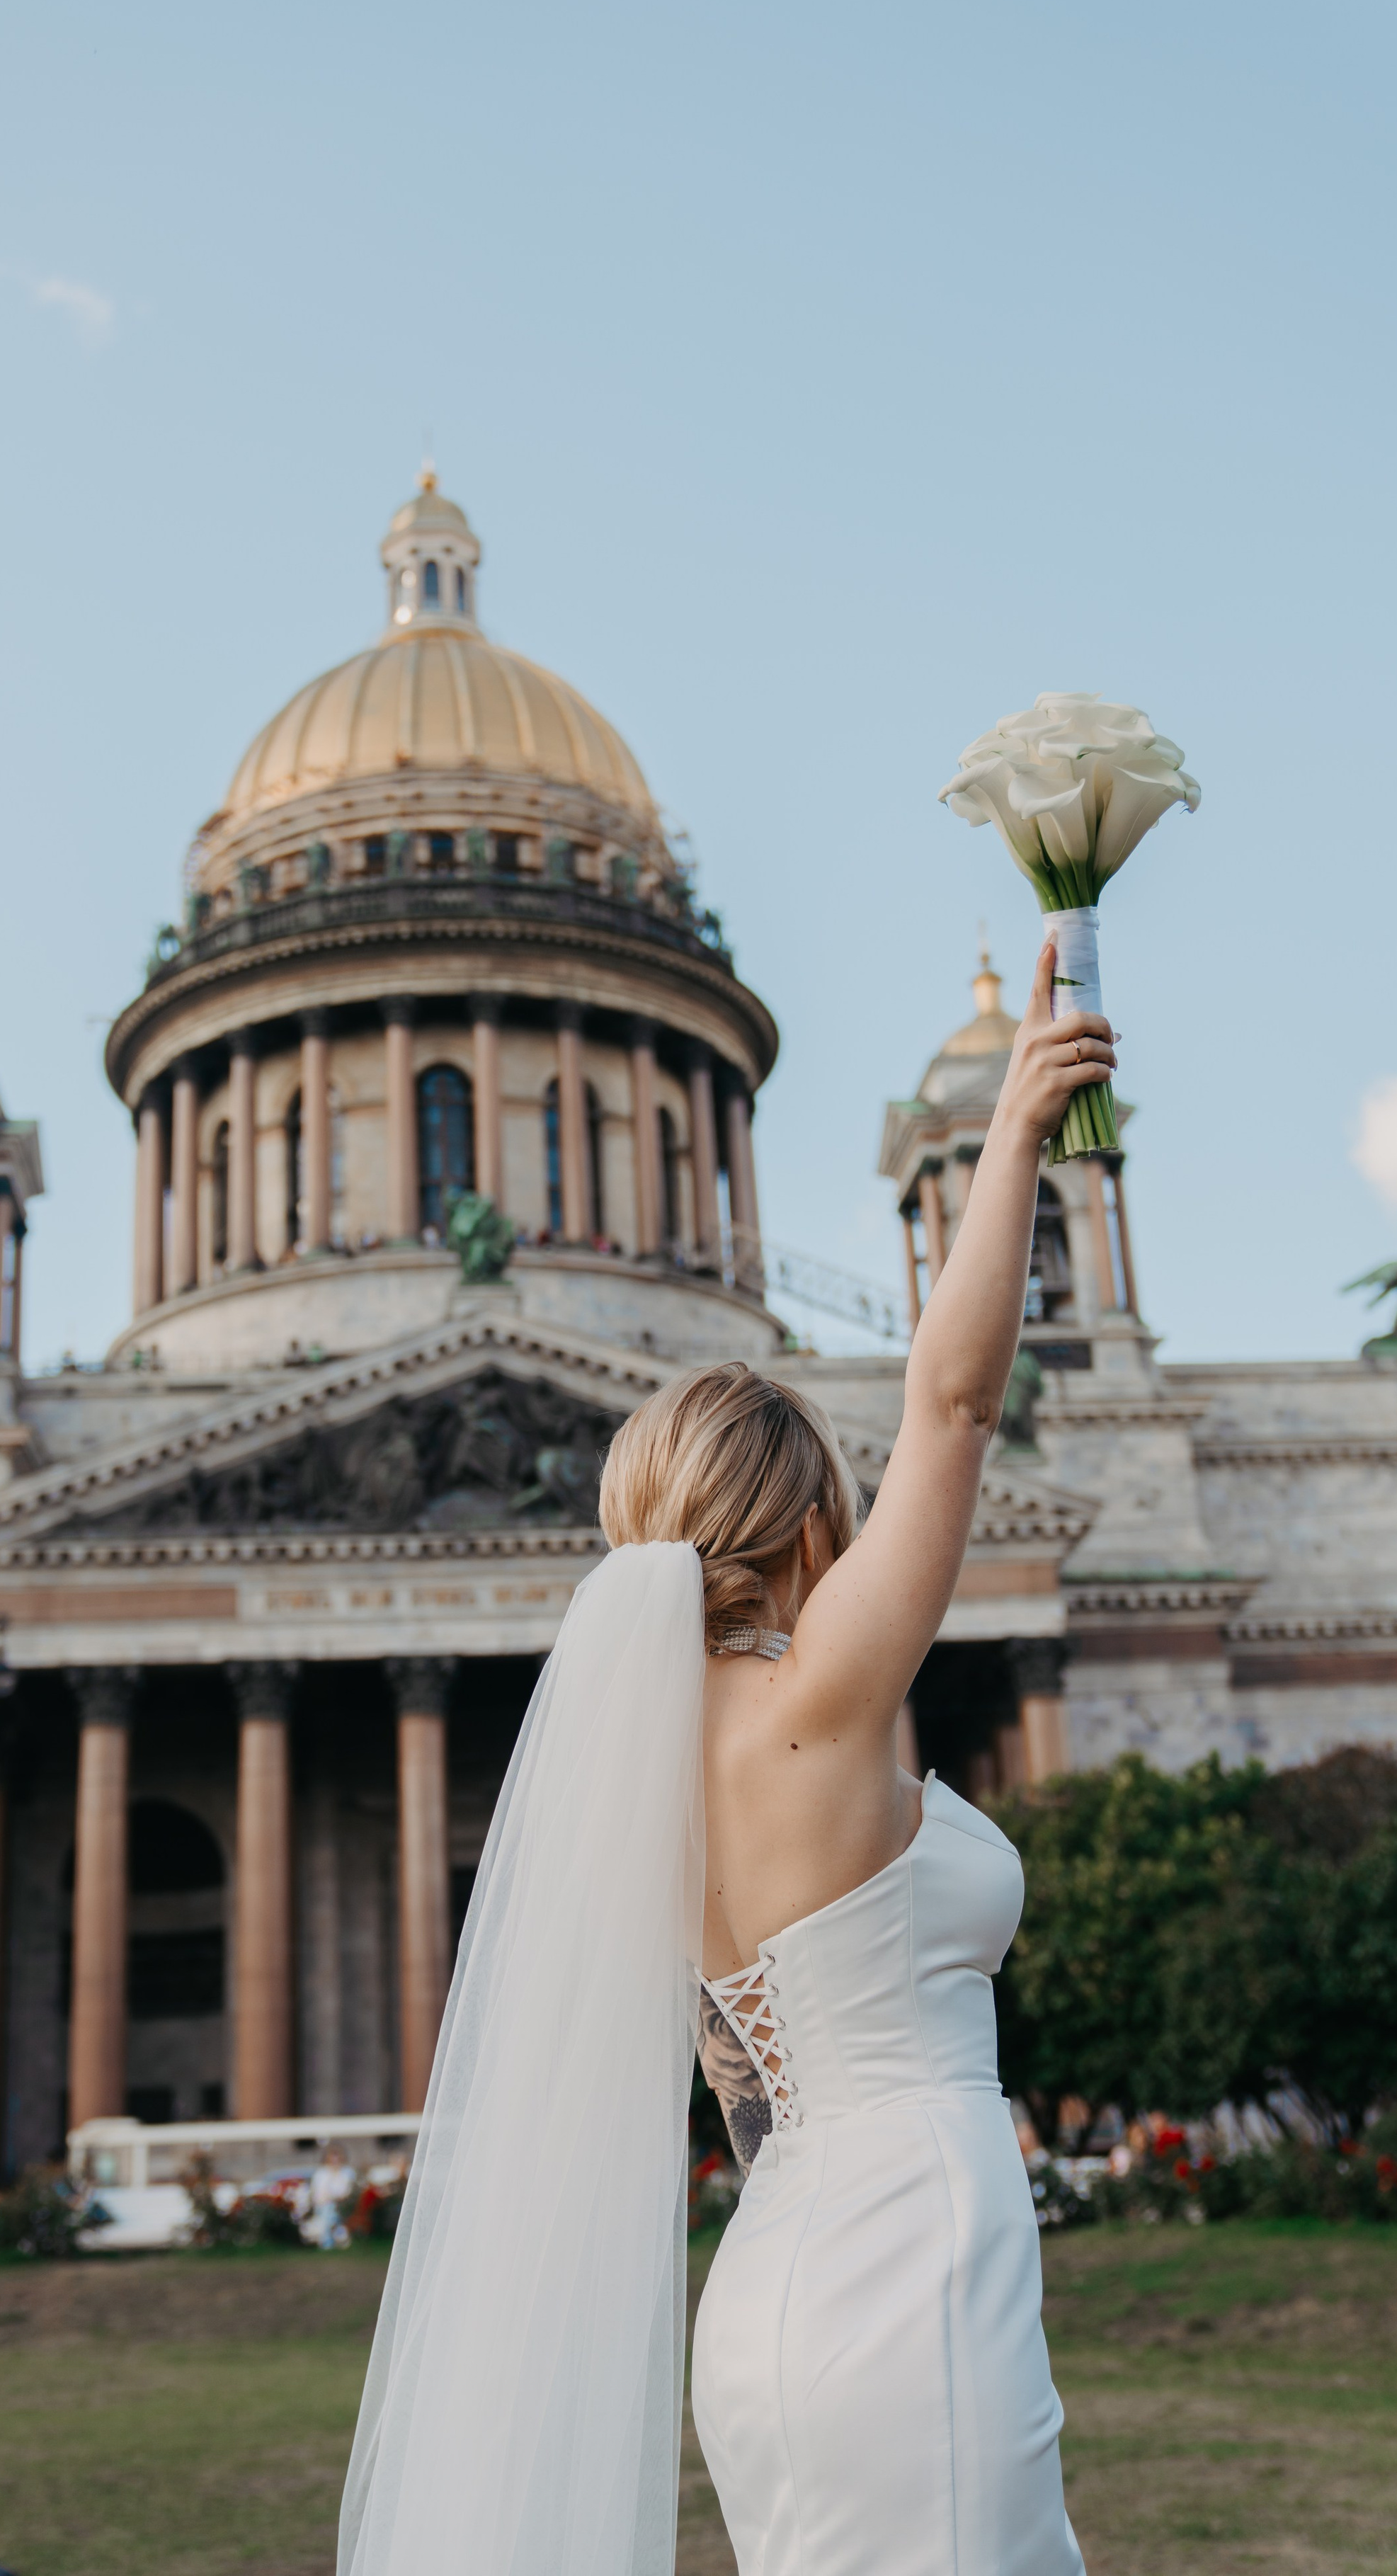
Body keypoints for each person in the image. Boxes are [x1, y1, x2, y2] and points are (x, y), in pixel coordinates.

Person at [338, 940, 1109, 2576]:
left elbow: (740, 2089)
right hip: (911, 2261)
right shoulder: (816, 1693)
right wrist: (1020, 1126)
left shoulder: (626, 1769)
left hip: (763, 2291)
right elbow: (957, 1401)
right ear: (809, 1515)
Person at [304, 2141, 358, 2250]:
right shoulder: (321, 2174)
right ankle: (331, 2240)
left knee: (330, 2213)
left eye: (337, 2159)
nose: (335, 2162)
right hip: (323, 2205)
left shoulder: (347, 2173)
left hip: (342, 2205)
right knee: (329, 2212)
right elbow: (318, 2193)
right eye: (332, 2160)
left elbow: (346, 2191)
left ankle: (327, 2243)